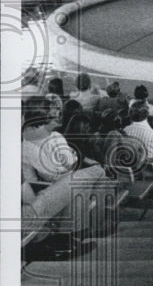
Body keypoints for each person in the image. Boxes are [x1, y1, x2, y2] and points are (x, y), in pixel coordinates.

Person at [22, 96, 107, 246]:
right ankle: (90, 227)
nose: (58, 115)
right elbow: (65, 167)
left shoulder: (27, 142)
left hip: (42, 189)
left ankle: (71, 236)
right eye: (54, 112)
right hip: (48, 192)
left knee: (80, 184)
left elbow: (30, 180)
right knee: (97, 171)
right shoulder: (48, 139)